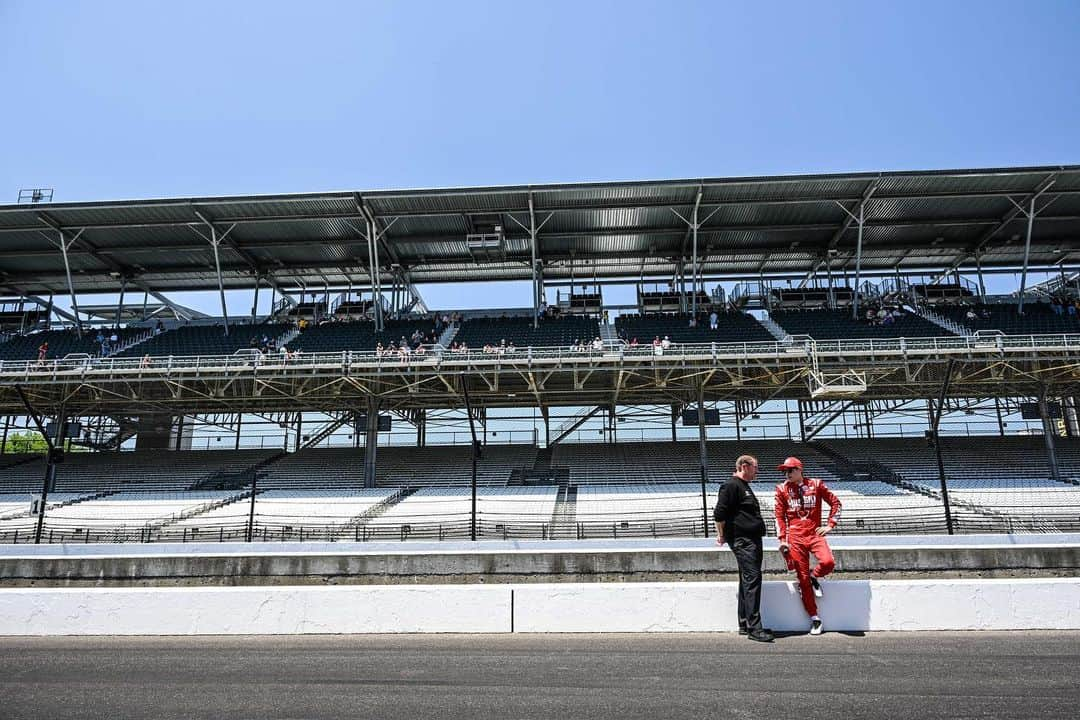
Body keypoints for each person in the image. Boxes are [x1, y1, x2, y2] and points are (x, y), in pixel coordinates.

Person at [774, 457, 842, 636]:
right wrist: (782, 539)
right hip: (795, 538)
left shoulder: (817, 484)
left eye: (790, 470)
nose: (786, 474)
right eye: (784, 471)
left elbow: (836, 503)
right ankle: (815, 618)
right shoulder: (781, 489)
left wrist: (830, 525)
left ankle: (815, 576)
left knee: (828, 562)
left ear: (799, 470)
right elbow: (779, 517)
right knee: (802, 579)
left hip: (814, 533)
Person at [714, 455, 773, 642]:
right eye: (756, 467)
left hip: (751, 539)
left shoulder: (743, 486)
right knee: (753, 580)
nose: (757, 471)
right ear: (744, 466)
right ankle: (755, 628)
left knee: (747, 580)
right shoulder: (731, 486)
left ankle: (745, 623)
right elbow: (719, 514)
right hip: (743, 540)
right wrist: (721, 535)